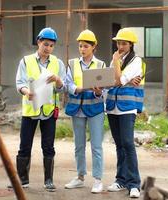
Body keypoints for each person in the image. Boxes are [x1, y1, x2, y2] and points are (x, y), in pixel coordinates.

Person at [15, 27, 66, 192]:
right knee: (25, 146)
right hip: (30, 110)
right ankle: (22, 180)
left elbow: (61, 88)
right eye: (45, 44)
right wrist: (26, 92)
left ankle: (49, 180)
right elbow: (20, 83)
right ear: (38, 42)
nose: (48, 48)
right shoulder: (26, 61)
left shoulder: (57, 63)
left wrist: (58, 80)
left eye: (51, 45)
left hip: (49, 111)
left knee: (48, 146)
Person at [64, 29, 106, 194]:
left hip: (95, 109)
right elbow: (68, 84)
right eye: (80, 46)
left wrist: (98, 92)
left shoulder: (101, 65)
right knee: (79, 146)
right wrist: (77, 88)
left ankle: (97, 180)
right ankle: (80, 177)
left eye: (86, 46)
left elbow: (105, 90)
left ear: (93, 47)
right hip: (77, 109)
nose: (82, 49)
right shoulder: (72, 64)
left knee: (96, 146)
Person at [106, 28, 145, 198]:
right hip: (112, 107)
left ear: (131, 45)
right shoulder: (115, 60)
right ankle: (121, 180)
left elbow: (117, 80)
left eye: (124, 43)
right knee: (119, 145)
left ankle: (134, 183)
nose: (120, 46)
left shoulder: (136, 61)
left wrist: (115, 62)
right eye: (118, 43)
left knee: (128, 143)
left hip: (127, 107)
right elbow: (109, 81)